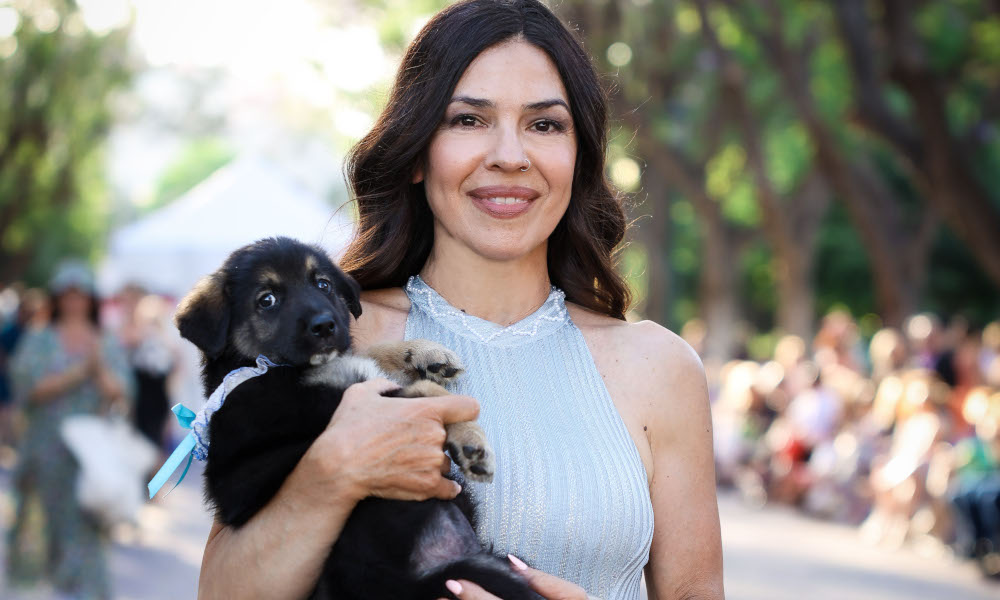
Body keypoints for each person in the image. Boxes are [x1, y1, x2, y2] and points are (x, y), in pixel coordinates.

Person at [198, 1, 723, 598]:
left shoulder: (660, 368)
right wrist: (334, 471)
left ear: (579, 157)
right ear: (417, 152)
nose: (510, 155)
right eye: (469, 120)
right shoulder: (329, 342)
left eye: (545, 125)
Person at [6, 260, 133, 599]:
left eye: (80, 295)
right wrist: (79, 373)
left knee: (87, 536)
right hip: (44, 453)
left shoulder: (105, 341)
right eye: (68, 294)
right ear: (58, 298)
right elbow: (29, 388)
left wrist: (98, 369)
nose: (74, 302)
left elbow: (121, 392)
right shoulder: (40, 339)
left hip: (88, 459)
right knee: (38, 532)